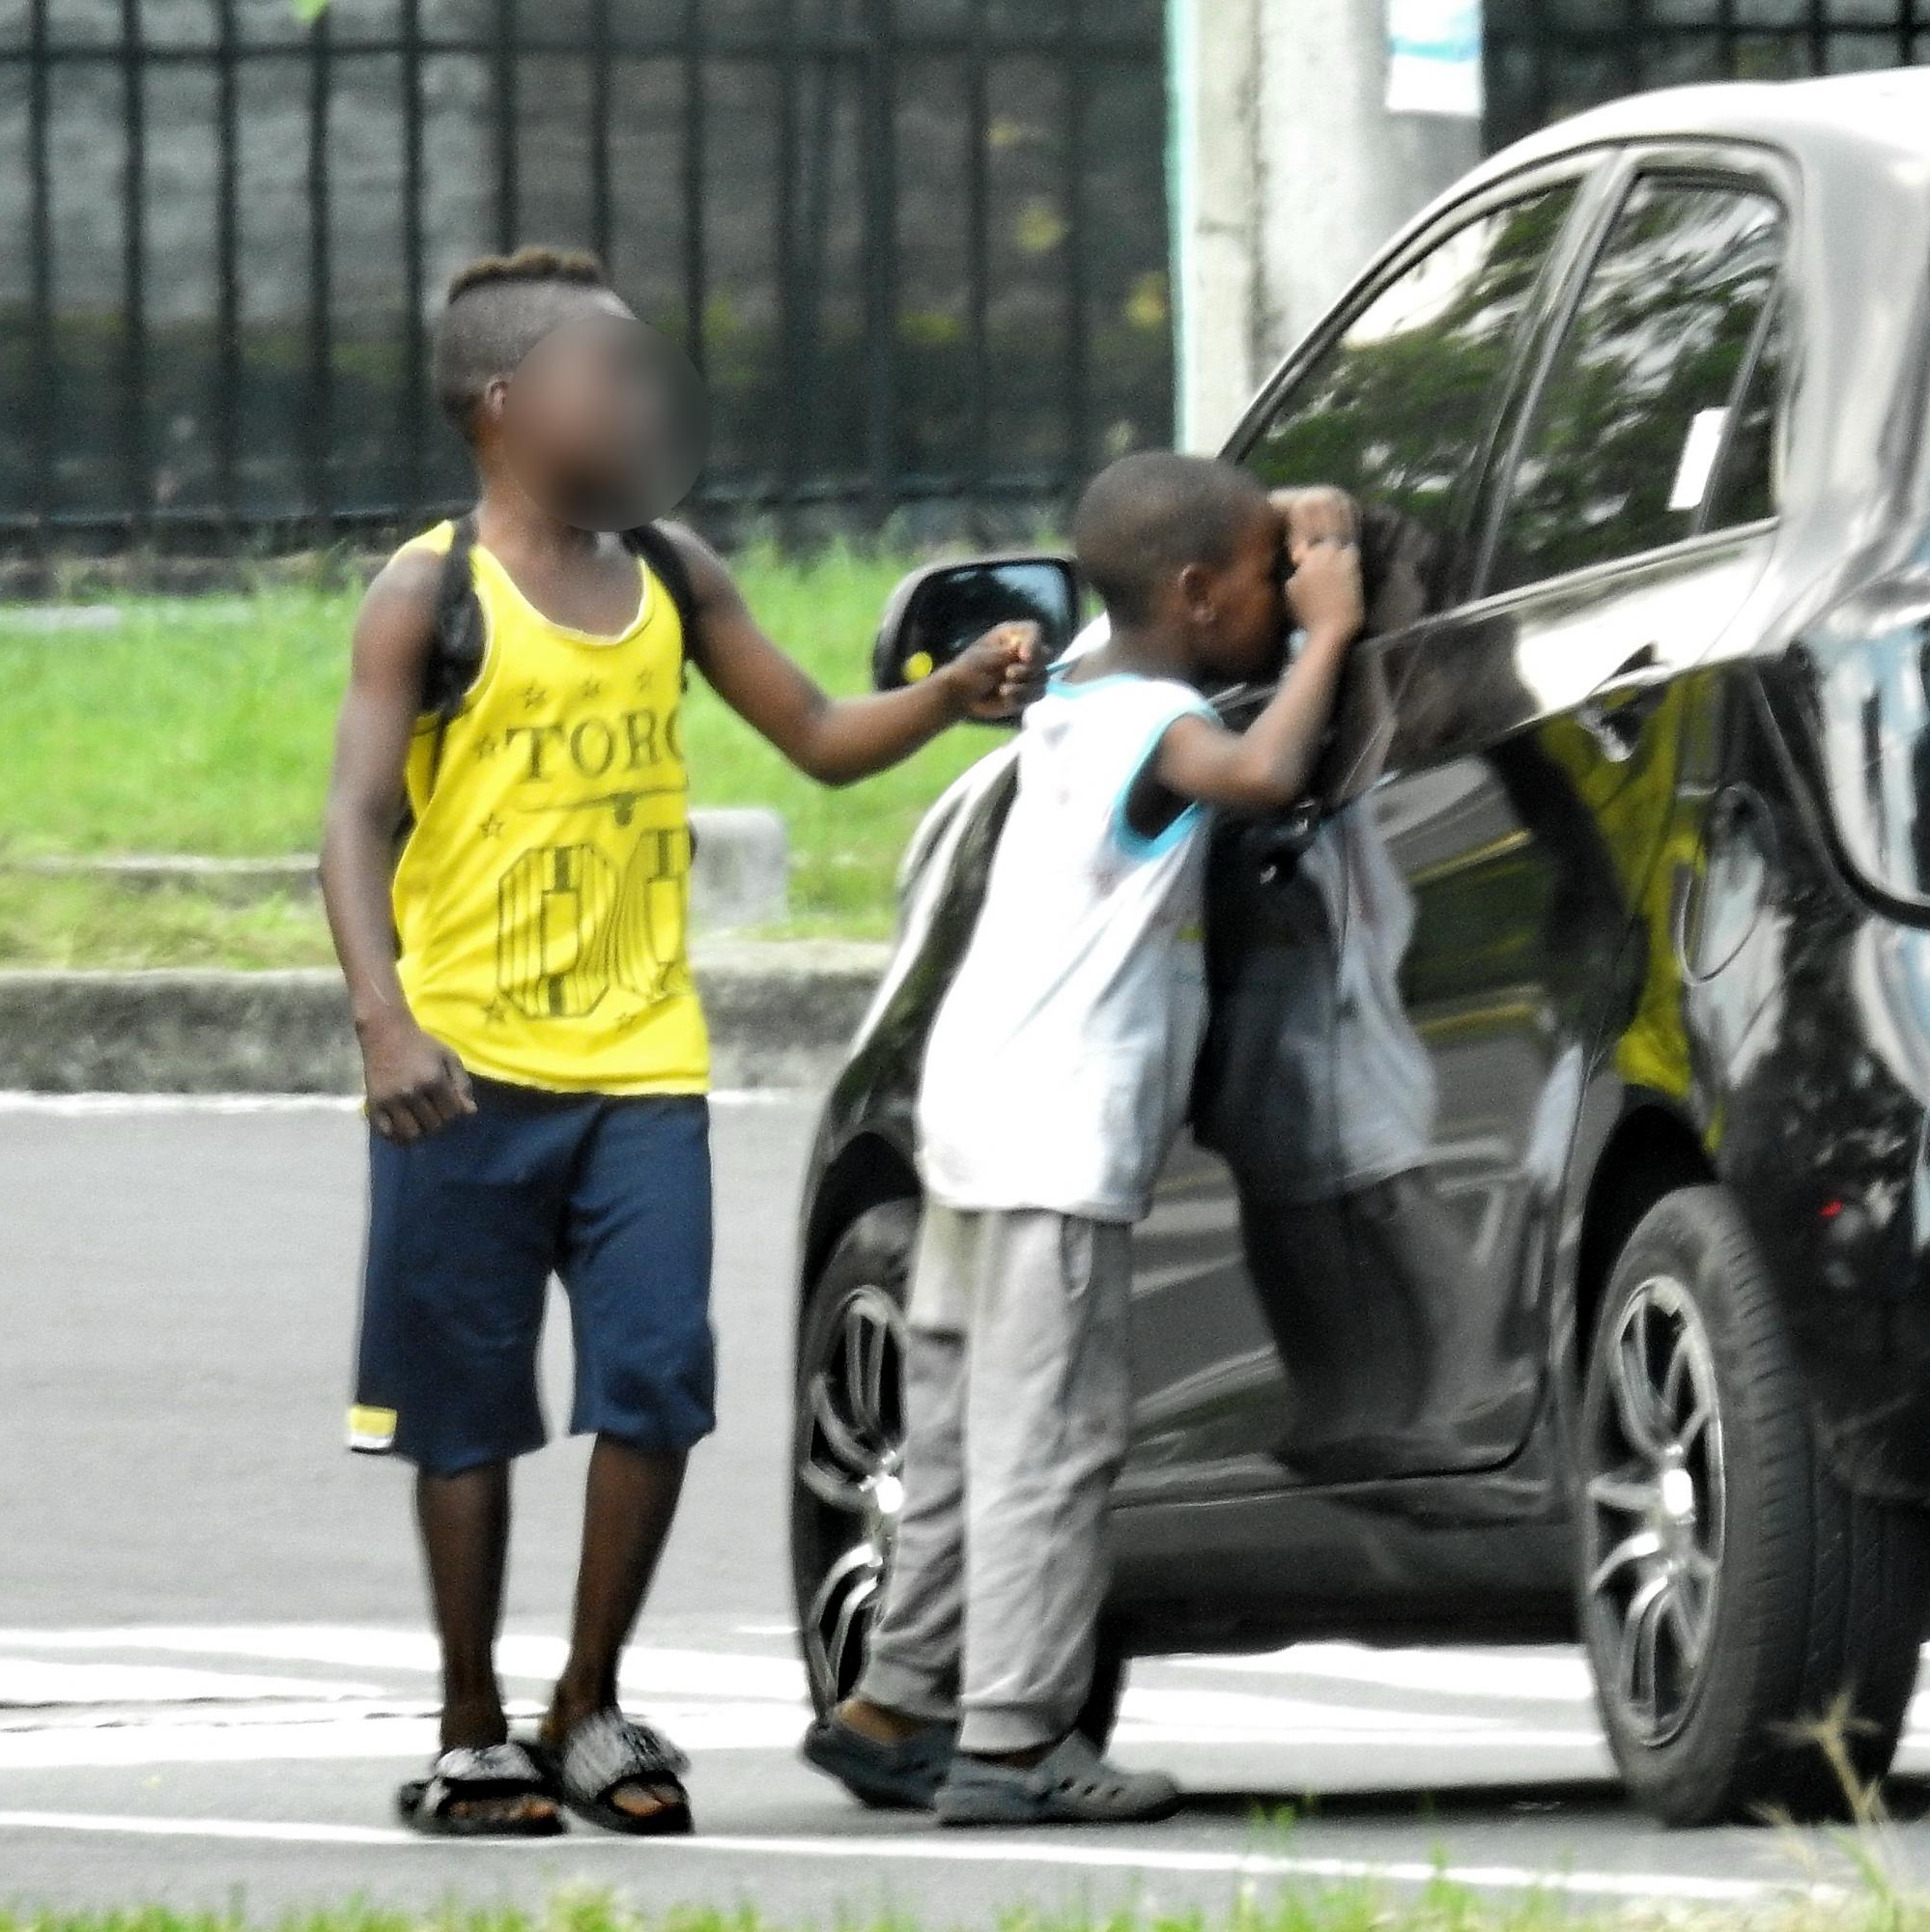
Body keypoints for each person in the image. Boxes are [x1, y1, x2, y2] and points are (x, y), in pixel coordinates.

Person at [320, 245, 1040, 1840]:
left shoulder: (669, 570)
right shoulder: (430, 594)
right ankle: (469, 1727)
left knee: (651, 1383)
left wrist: (949, 694)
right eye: (611, 376)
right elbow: (356, 818)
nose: (645, 404)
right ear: (505, 406)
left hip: (643, 1065)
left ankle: (586, 1702)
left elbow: (818, 737)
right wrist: (385, 1022)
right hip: (466, 1068)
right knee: (467, 1411)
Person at [800, 451, 1363, 1826]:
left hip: (974, 1116)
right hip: (1057, 1136)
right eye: (1265, 581)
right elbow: (1264, 770)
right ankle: (1013, 1744)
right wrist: (1334, 631)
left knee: (955, 1433)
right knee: (1051, 1442)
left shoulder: (1072, 691)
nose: (1284, 597)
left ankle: (896, 1700)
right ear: (1196, 594)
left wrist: (1285, 531)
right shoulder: (1161, 722)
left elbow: (1166, 594)